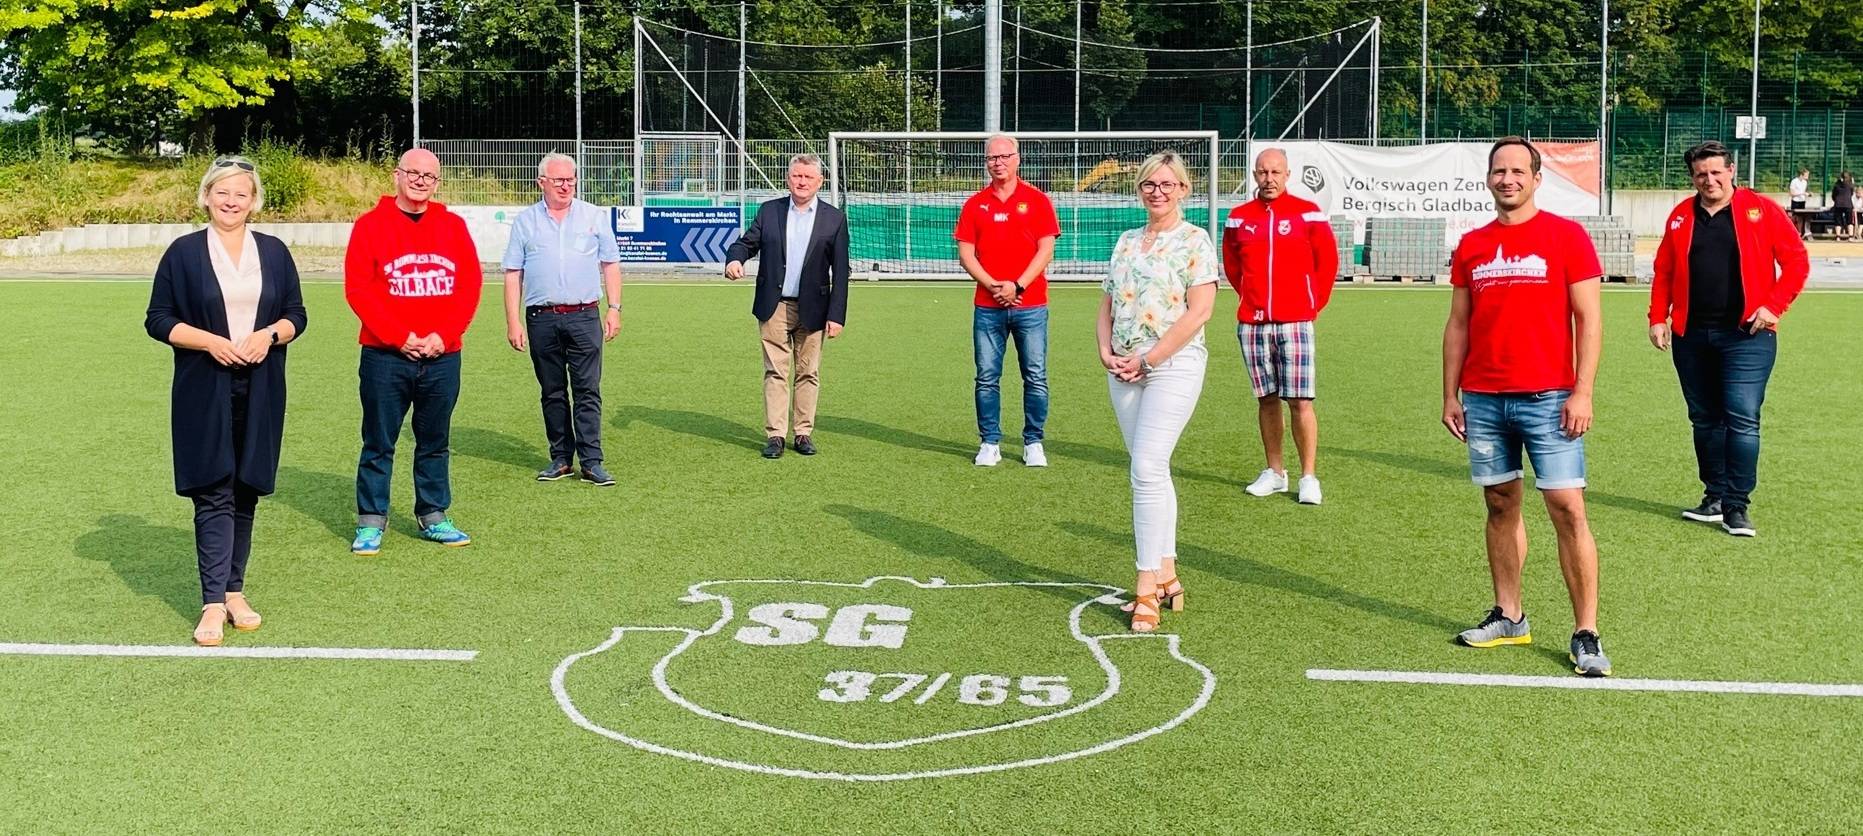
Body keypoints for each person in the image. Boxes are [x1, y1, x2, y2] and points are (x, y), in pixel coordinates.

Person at [1441, 136, 1610, 677]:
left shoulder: (1566, 237)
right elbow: (1458, 324)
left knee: (1567, 508)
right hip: (1486, 399)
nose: (1507, 178)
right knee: (1499, 504)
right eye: (1499, 170)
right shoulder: (1471, 245)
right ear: (1488, 179)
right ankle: (1509, 616)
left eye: (1518, 170)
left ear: (1537, 178)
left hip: (1552, 399)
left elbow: (1590, 319)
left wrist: (1582, 390)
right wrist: (1451, 393)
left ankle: (1586, 632)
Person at [143, 156, 306, 646]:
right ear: (207, 196)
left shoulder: (274, 252)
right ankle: (212, 602)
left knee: (246, 488)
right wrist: (210, 341)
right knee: (213, 487)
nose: (231, 201)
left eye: (241, 193)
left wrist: (272, 335)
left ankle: (235, 591)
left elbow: (296, 313)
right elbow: (158, 319)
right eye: (222, 192)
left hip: (262, 386)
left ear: (254, 200)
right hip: (204, 388)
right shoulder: (184, 253)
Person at [1648, 140, 1810, 538]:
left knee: (1741, 419)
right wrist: (1658, 317)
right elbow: (1664, 270)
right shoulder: (1680, 217)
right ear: (1692, 177)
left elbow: (1796, 262)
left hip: (1747, 336)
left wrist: (1773, 306)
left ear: (1731, 171)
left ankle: (1737, 507)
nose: (1709, 180)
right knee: (1704, 419)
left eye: (1717, 172)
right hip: (1692, 336)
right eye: (1701, 174)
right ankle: (1714, 497)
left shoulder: (1761, 210)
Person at [1097, 150, 1219, 632]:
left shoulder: (1196, 240)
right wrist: (1106, 351)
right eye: (1150, 184)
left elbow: (1200, 311)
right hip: (1124, 366)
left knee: (1146, 468)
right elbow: (1106, 303)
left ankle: (1145, 586)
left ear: (1183, 190)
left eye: (1168, 185)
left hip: (1172, 364)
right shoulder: (1127, 242)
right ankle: (1167, 572)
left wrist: (1151, 358)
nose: (1158, 192)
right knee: (1150, 469)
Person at [344, 148, 484, 556]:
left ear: (437, 182)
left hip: (442, 356)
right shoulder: (370, 226)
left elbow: (468, 286)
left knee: (435, 440)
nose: (421, 180)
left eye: (430, 176)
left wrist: (445, 333)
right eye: (414, 173)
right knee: (378, 441)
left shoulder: (453, 226)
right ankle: (371, 521)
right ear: (397, 175)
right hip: (386, 356)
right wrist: (397, 335)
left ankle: (434, 514)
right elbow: (359, 290)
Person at [1222, 147, 1339, 505]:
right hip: (1253, 325)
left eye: (1275, 172)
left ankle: (1308, 476)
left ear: (1287, 175)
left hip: (1296, 323)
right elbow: (1231, 266)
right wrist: (1254, 300)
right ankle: (1275, 472)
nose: (1268, 178)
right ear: (1254, 175)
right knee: (1266, 399)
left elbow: (1328, 263)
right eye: (1262, 172)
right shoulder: (1239, 218)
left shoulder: (1308, 213)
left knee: (1301, 401)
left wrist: (1309, 304)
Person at [502, 152, 623, 485]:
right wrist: (513, 321)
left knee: (587, 390)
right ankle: (560, 458)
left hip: (585, 315)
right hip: (541, 317)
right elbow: (514, 273)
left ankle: (591, 461)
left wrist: (614, 307)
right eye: (559, 180)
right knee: (552, 391)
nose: (566, 185)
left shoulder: (594, 217)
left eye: (571, 179)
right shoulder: (525, 221)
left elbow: (610, 264)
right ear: (542, 182)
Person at [725, 153, 851, 459]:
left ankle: (803, 433)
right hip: (774, 305)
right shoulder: (770, 212)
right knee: (776, 371)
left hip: (815, 309)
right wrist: (734, 258)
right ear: (788, 178)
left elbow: (841, 271)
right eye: (797, 176)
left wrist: (837, 315)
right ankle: (776, 435)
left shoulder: (834, 219)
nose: (802, 182)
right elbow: (746, 243)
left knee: (808, 372)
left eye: (808, 177)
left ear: (820, 181)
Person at [955, 134, 1061, 467]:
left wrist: (1017, 285)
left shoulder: (1038, 200)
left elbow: (1046, 249)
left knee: (1035, 374)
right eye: (992, 158)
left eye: (1004, 156)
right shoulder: (975, 204)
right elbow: (966, 255)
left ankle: (1033, 441)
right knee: (986, 375)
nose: (998, 162)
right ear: (986, 162)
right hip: (988, 308)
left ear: (1017, 158)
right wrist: (994, 286)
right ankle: (989, 442)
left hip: (1031, 305)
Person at [1832, 171, 1856, 241]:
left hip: (1838, 204)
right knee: (1849, 221)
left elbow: (1833, 195)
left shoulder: (1836, 185)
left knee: (1838, 220)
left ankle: (1838, 237)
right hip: (1848, 204)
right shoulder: (1850, 185)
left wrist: (1836, 200)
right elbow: (1851, 193)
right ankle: (1850, 236)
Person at [1788, 167, 1810, 239]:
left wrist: (1807, 194)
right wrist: (1802, 193)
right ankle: (1792, 232)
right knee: (1794, 217)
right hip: (1795, 201)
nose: (1807, 177)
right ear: (1801, 175)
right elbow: (1792, 193)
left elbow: (1803, 192)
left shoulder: (1805, 182)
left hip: (1802, 201)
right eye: (1806, 175)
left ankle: (1799, 232)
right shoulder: (1794, 181)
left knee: (1801, 217)